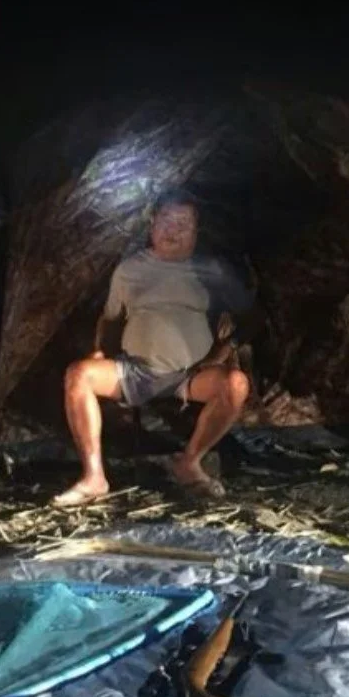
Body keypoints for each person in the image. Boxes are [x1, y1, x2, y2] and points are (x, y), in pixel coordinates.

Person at [52, 189, 257, 506]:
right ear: (152, 225)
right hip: (134, 369)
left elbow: (248, 315)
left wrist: (222, 351)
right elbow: (108, 319)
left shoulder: (211, 271)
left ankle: (189, 463)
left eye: (182, 223)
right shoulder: (129, 270)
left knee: (236, 384)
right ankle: (93, 477)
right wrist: (98, 350)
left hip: (190, 375)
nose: (172, 230)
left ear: (195, 231)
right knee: (78, 375)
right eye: (165, 220)